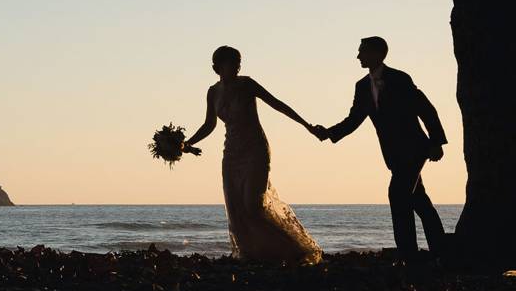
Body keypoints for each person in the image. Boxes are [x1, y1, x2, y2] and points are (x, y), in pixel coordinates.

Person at [311, 36, 447, 262]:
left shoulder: (400, 79)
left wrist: (436, 142)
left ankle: (409, 257)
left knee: (398, 195)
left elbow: (425, 108)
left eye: (361, 52)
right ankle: (442, 250)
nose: (357, 56)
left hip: (415, 149)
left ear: (377, 54)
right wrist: (328, 133)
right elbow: (354, 119)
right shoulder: (362, 86)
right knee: (419, 201)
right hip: (393, 155)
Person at [183, 46, 322, 263]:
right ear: (217, 67)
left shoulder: (247, 85)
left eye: (239, 62)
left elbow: (277, 104)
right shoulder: (213, 92)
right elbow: (209, 124)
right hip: (231, 155)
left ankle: (293, 251)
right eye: (232, 62)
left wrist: (306, 125)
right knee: (236, 209)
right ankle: (251, 254)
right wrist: (186, 144)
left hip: (255, 150)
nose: (237, 66)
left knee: (253, 206)